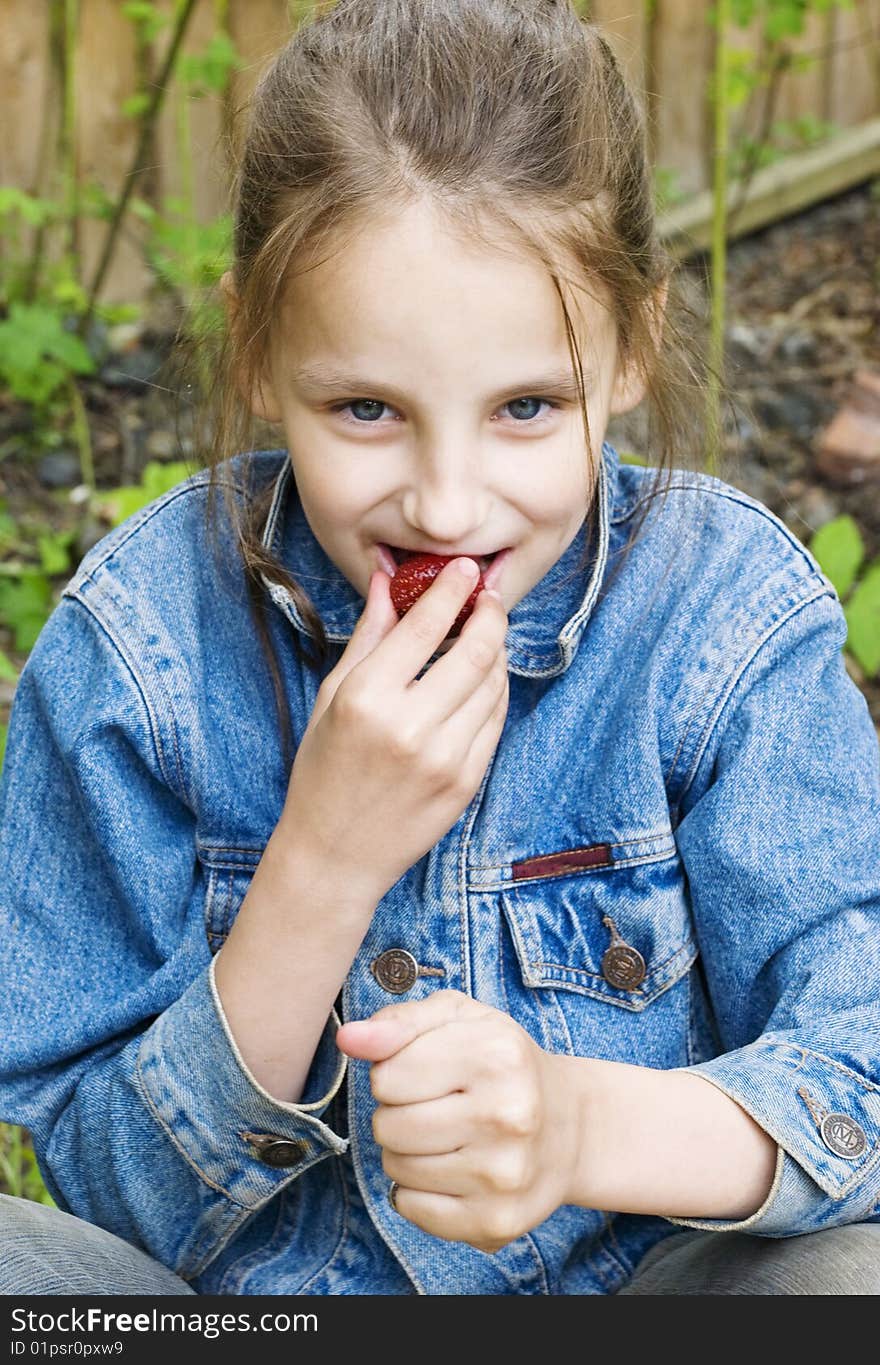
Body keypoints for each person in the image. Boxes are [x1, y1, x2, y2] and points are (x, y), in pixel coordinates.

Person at [0, 0, 878, 1298]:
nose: (450, 505)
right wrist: (323, 861)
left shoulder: (722, 621)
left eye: (527, 406)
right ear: (256, 346)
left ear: (632, 343)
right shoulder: (140, 650)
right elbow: (102, 1187)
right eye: (367, 408)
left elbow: (859, 1065)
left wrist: (578, 1125)